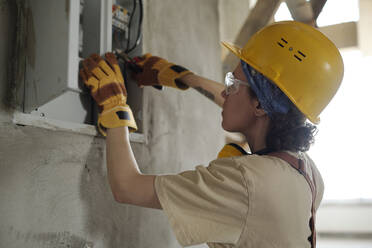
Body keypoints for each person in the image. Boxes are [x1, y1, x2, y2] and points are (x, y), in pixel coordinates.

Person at [79, 21, 344, 248]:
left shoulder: (245, 182)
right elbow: (249, 104)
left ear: (261, 105)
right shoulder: (307, 171)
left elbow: (127, 187)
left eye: (233, 83)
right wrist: (185, 78)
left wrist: (115, 108)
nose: (225, 91)